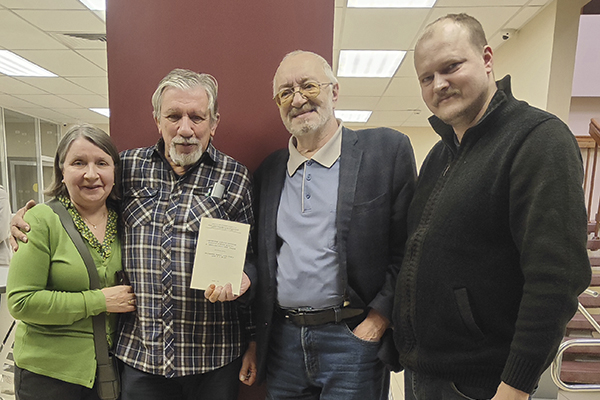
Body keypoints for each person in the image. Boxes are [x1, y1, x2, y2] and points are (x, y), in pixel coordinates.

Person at [11, 69, 257, 400]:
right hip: (142, 359)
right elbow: (84, 201)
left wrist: (249, 310)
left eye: (197, 117)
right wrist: (27, 216)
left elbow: (251, 258)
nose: (185, 129)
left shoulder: (236, 177)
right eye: (174, 116)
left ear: (213, 123)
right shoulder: (127, 168)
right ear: (158, 120)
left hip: (212, 357)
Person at [392, 13, 592, 400]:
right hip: (425, 375)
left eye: (451, 67)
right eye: (426, 78)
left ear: (486, 59)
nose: (439, 84)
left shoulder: (537, 139)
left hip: (485, 384)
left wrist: (517, 384)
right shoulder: (439, 156)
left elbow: (557, 277)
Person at [251, 50, 417, 399]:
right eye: (285, 92)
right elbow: (261, 257)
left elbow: (409, 249)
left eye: (309, 86)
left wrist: (377, 321)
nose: (298, 99)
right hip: (284, 343)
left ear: (335, 91)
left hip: (351, 340)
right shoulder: (269, 171)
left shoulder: (385, 152)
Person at [6, 124, 135, 400]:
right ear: (62, 171)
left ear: (115, 172)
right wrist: (99, 301)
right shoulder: (41, 220)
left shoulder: (127, 221)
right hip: (48, 376)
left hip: (110, 372)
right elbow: (21, 302)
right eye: (78, 163)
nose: (91, 174)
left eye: (102, 163)